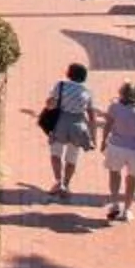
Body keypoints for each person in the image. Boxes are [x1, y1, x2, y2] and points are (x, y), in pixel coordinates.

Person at [40, 61, 98, 198]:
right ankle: (66, 184)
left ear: (69, 74)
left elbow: (50, 104)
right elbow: (91, 115)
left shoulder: (60, 85)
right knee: (72, 157)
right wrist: (93, 137)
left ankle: (58, 181)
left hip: (60, 123)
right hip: (78, 125)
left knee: (56, 154)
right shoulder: (87, 91)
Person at [99, 80, 135, 221]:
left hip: (116, 146)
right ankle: (127, 209)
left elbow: (108, 126)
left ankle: (115, 203)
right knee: (132, 179)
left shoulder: (114, 107)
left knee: (114, 174)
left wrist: (103, 141)